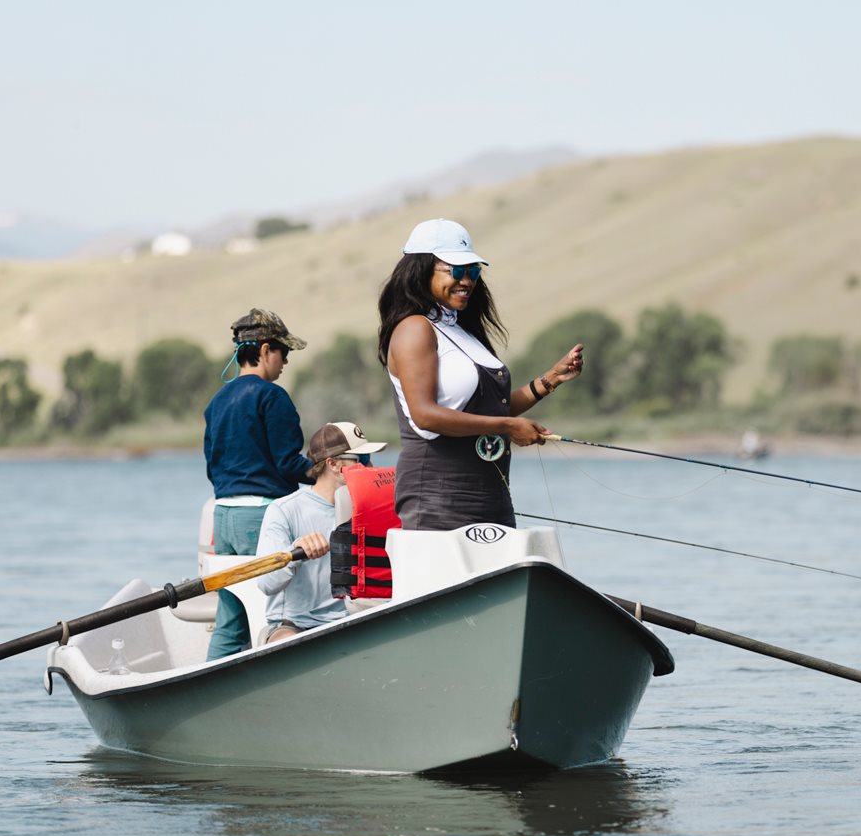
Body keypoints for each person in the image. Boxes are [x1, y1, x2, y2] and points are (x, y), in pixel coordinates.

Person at [377, 218, 583, 531]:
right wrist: (508, 426)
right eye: (456, 271)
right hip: (436, 495)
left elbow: (489, 409)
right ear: (421, 271)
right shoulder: (414, 329)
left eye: (473, 271)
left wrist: (549, 380)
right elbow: (425, 415)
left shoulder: (462, 331)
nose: (468, 281)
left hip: (491, 494)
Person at [203, 307, 313, 660]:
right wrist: (325, 473)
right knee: (279, 611)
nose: (286, 362)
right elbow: (288, 462)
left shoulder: (218, 401)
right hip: (262, 518)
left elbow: (212, 465)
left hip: (224, 517)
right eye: (284, 352)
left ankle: (207, 689)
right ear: (265, 350)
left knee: (231, 617)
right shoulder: (272, 396)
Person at [256, 421, 389, 643]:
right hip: (296, 624)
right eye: (362, 460)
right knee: (284, 642)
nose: (370, 467)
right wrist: (295, 553)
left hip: (354, 617)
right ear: (333, 463)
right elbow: (266, 583)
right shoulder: (283, 510)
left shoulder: (369, 507)